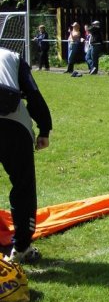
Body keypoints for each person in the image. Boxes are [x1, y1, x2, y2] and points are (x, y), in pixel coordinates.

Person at [0, 47, 52, 264]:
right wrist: (44, 129)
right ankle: (21, 248)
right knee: (23, 186)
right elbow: (33, 93)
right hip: (14, 125)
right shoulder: (12, 57)